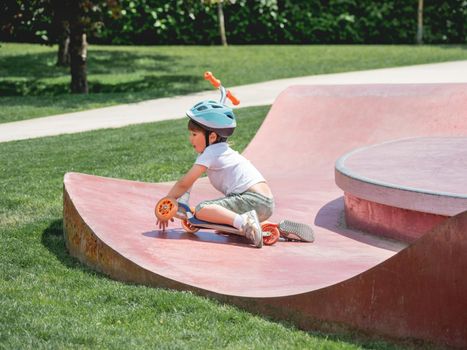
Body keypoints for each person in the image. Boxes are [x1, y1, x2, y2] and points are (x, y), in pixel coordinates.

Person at [156, 100, 274, 248]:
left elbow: (185, 183)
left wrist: (169, 200)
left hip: (252, 200)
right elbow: (189, 186)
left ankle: (245, 223)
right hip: (265, 203)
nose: (190, 139)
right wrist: (182, 203)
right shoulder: (221, 150)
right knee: (217, 216)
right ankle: (265, 226)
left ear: (212, 137)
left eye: (194, 134)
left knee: (202, 209)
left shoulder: (210, 152)